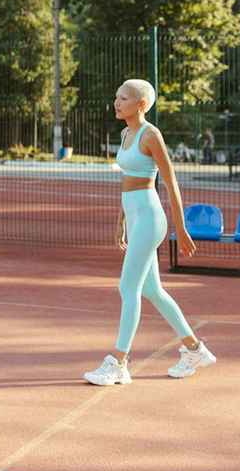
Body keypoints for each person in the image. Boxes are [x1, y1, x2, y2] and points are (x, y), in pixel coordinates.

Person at [83, 79, 217, 387]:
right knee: (152, 291)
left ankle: (118, 362)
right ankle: (195, 350)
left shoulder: (150, 135)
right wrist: (121, 220)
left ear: (141, 104)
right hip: (135, 217)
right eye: (117, 97)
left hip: (150, 218)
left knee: (127, 287)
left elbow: (170, 182)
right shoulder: (125, 134)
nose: (117, 102)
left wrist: (181, 227)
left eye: (124, 98)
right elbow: (128, 180)